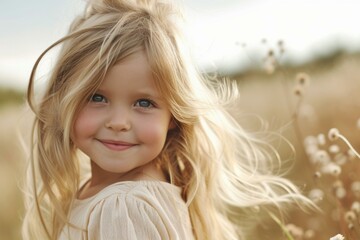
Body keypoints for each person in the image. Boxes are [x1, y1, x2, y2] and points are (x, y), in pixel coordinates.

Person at [22, 0, 314, 239]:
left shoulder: (124, 206)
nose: (119, 122)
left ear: (173, 116)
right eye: (97, 97)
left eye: (144, 103)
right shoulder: (110, 192)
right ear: (64, 99)